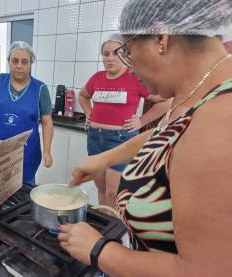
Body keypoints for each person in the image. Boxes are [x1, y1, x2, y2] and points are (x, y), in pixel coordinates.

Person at [58, 0, 232, 275]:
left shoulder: (223, 118)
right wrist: (104, 159)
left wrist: (99, 250)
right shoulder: (199, 92)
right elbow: (165, 135)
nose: (129, 65)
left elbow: (203, 271)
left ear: (160, 38)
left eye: (127, 51)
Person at [79, 32, 171, 212]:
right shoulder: (96, 78)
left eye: (115, 53)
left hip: (121, 139)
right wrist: (88, 113)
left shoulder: (134, 77)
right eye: (106, 54)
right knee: (101, 186)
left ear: (124, 55)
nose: (110, 58)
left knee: (115, 192)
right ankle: (105, 223)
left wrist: (141, 120)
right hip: (95, 138)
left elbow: (166, 101)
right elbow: (83, 96)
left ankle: (115, 230)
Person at [0, 41, 53, 186]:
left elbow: (47, 122)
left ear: (30, 64)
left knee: (24, 192)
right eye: (15, 61)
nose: (19, 66)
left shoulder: (40, 88)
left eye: (24, 62)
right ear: (8, 62)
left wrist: (47, 151)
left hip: (27, 152)